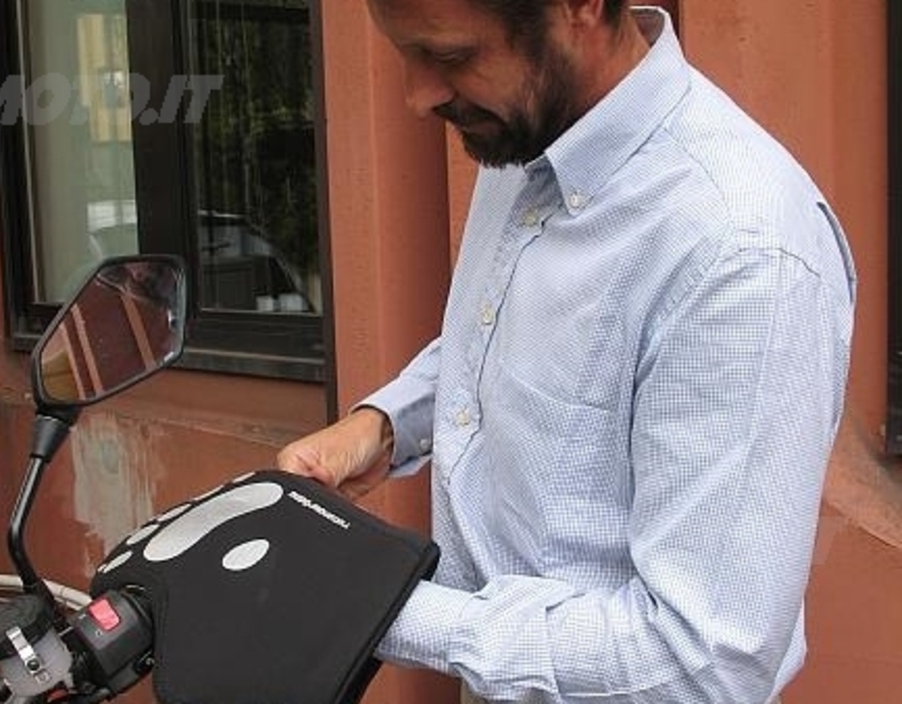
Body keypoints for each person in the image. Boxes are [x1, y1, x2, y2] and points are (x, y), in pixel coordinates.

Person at [277, 1, 857, 702]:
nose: (418, 96)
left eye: (452, 56)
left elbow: (703, 663)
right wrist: (384, 425)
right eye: (406, 55)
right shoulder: (526, 133)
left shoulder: (741, 253)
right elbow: (515, 333)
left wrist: (372, 600)